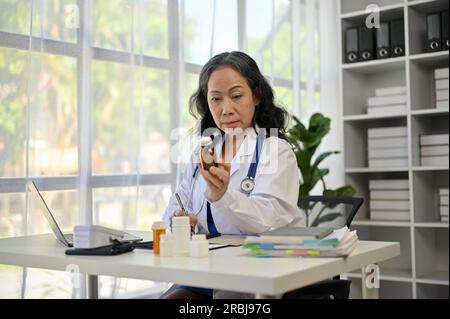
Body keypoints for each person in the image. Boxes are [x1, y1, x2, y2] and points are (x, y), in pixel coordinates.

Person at [160, 51, 303, 299]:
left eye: (236, 96)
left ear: (256, 95)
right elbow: (176, 203)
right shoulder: (204, 151)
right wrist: (179, 219)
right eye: (216, 99)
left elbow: (267, 220)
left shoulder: (274, 150)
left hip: (254, 273)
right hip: (204, 269)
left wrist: (223, 196)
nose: (226, 109)